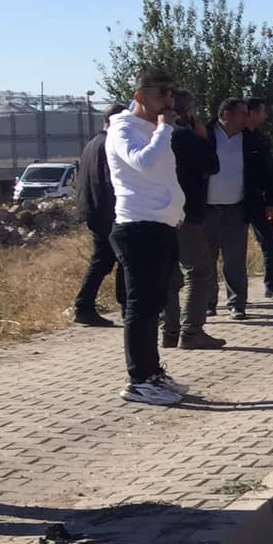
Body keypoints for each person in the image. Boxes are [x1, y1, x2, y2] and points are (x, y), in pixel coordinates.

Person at [105, 67, 188, 405]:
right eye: (160, 95)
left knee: (155, 304)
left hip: (161, 226)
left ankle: (153, 373)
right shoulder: (124, 128)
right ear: (140, 97)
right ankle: (138, 380)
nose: (167, 102)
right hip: (137, 227)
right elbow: (144, 163)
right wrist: (165, 129)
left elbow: (164, 177)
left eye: (170, 94)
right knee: (140, 307)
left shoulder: (154, 128)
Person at [170, 91, 225, 349]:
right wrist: (203, 138)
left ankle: (168, 330)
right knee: (198, 271)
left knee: (169, 275)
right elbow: (211, 165)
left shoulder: (153, 135)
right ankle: (191, 331)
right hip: (187, 214)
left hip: (161, 214)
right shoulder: (184, 137)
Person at [203, 97, 256, 323]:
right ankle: (207, 303)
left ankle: (237, 304)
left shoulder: (250, 140)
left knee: (234, 260)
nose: (247, 117)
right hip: (205, 210)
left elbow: (264, 168)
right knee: (206, 260)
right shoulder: (204, 135)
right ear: (226, 115)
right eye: (242, 113)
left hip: (236, 208)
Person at [72, 110, 123, 326]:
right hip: (107, 212)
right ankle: (126, 307)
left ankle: (85, 306)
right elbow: (110, 182)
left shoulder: (92, 143)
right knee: (122, 259)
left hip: (95, 210)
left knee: (103, 261)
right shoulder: (108, 144)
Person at [243, 98, 273, 299]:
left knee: (269, 242)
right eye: (262, 111)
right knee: (232, 248)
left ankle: (272, 285)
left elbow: (270, 170)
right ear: (252, 113)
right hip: (237, 200)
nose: (265, 115)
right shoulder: (237, 138)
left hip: (261, 201)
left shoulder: (261, 138)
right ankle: (229, 295)